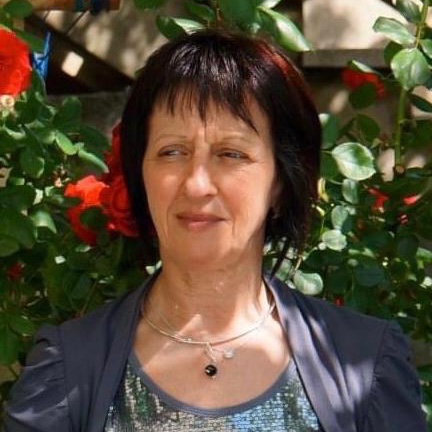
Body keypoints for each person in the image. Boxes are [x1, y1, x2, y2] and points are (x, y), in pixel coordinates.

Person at [5, 30, 427, 432]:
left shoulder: (365, 365)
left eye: (231, 153)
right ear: (140, 174)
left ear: (282, 181)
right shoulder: (67, 372)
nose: (197, 184)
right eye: (172, 151)